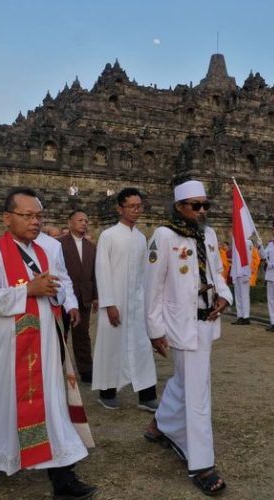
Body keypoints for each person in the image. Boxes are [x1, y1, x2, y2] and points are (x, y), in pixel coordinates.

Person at [0, 188, 96, 498]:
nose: (35, 221)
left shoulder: (46, 251)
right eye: (27, 215)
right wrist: (28, 291)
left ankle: (62, 475)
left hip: (45, 344)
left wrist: (61, 297)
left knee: (50, 405)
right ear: (7, 218)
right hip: (4, 349)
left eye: (39, 215)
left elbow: (60, 285)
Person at [143, 180, 232, 496]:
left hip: (207, 321)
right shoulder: (164, 236)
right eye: (196, 205)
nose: (202, 211)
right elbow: (152, 287)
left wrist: (224, 296)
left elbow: (217, 272)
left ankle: (159, 425)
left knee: (186, 381)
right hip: (179, 325)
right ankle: (200, 463)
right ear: (179, 207)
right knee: (198, 393)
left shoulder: (208, 234)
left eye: (205, 205)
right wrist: (155, 331)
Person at [93, 188, 158, 411]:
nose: (136, 210)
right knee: (112, 346)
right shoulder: (108, 236)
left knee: (141, 347)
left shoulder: (141, 238)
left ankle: (146, 395)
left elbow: (143, 273)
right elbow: (102, 270)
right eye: (131, 206)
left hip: (136, 303)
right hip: (115, 302)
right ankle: (107, 392)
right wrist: (109, 303)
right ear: (120, 208)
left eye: (139, 206)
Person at [57, 210, 98, 383]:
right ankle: (57, 368)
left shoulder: (91, 247)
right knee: (60, 334)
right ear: (70, 222)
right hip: (63, 296)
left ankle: (86, 369)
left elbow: (96, 273)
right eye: (80, 220)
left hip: (84, 296)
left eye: (86, 220)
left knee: (82, 334)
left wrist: (95, 295)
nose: (84, 223)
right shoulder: (58, 244)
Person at [230, 237, 253, 325]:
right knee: (238, 295)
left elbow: (249, 257)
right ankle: (240, 316)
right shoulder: (236, 240)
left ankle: (246, 316)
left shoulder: (248, 242)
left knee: (244, 295)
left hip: (244, 271)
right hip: (237, 271)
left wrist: (246, 271)